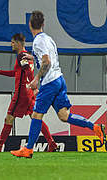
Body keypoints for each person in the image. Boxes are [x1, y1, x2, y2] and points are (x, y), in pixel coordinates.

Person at [11, 11, 106, 158]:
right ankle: (95, 127)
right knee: (64, 115)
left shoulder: (37, 41)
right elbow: (49, 57)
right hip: (59, 79)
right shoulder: (49, 39)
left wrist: (36, 79)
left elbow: (46, 61)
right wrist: (33, 56)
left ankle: (28, 149)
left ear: (30, 25)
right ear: (43, 24)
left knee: (36, 115)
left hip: (49, 82)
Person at [0, 33, 57, 152]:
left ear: (18, 43)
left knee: (9, 119)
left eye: (12, 42)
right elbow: (16, 72)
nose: (11, 44)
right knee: (35, 118)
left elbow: (27, 71)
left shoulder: (21, 56)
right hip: (29, 93)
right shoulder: (27, 55)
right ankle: (51, 143)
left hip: (22, 93)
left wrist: (34, 86)